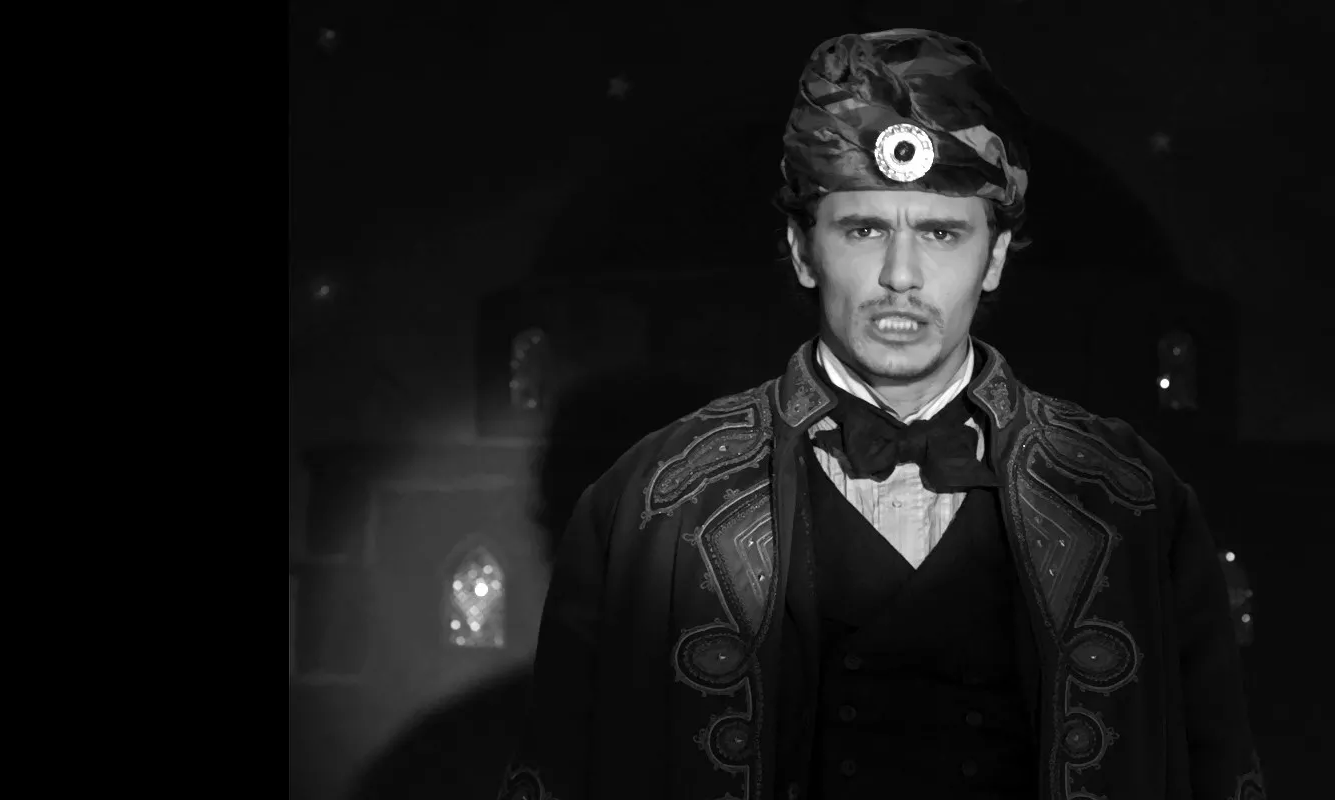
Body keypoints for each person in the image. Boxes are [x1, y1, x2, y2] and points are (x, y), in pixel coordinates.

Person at [500, 28, 1263, 800]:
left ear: (995, 257)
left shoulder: (1133, 502)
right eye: (864, 230)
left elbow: (1219, 770)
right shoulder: (652, 502)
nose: (902, 275)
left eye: (941, 232)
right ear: (803, 250)